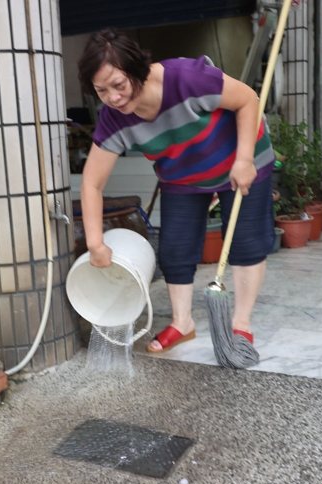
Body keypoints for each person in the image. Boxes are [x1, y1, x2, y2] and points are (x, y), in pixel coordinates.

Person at [77, 28, 275, 354]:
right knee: (174, 250)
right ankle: (183, 323)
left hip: (240, 160)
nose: (113, 97)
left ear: (137, 70)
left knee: (246, 243)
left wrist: (243, 159)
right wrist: (95, 243)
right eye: (101, 90)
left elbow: (247, 100)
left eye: (119, 85)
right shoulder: (114, 119)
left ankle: (241, 323)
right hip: (182, 176)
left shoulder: (187, 78)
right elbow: (92, 182)